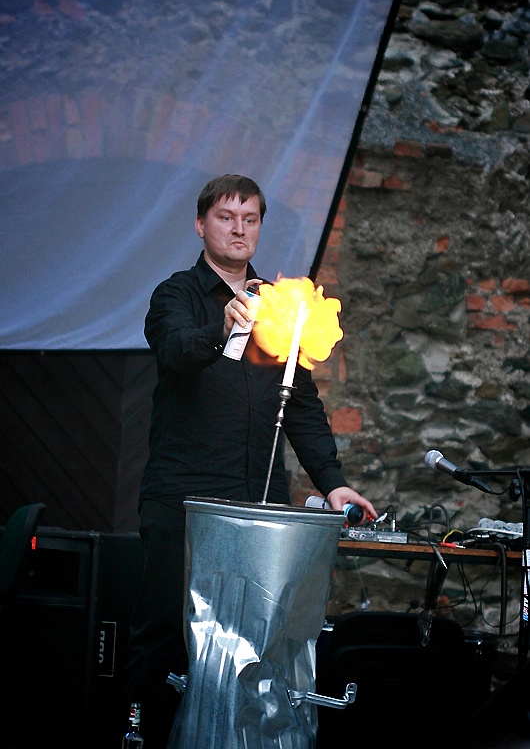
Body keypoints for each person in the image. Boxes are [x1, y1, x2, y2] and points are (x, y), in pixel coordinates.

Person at [124, 173, 378, 748]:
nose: (239, 229)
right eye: (226, 217)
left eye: (251, 219)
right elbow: (174, 352)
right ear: (201, 224)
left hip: (257, 502)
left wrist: (333, 484)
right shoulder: (177, 295)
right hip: (184, 499)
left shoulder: (282, 304)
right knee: (167, 637)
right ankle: (142, 739)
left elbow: (303, 407)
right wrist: (221, 328)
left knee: (254, 643)